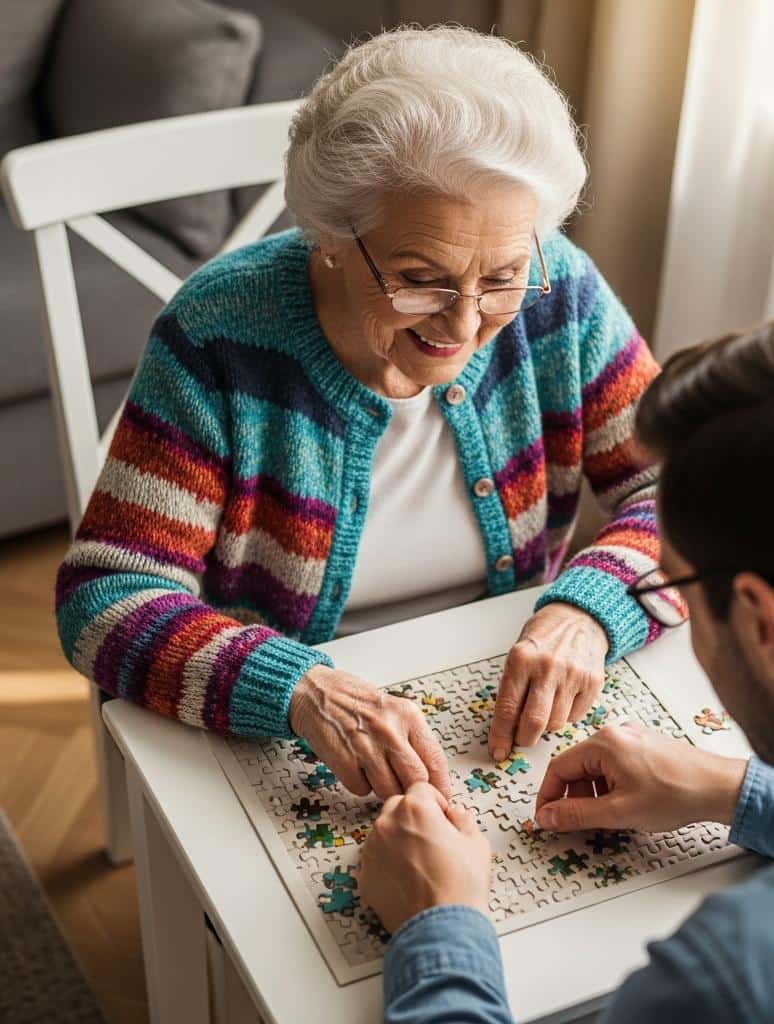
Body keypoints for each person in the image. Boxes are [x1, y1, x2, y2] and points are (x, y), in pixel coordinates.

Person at [54, 26, 668, 799]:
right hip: (279, 728)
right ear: (333, 235)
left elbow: (690, 497)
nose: (463, 325)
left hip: (504, 706)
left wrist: (591, 610)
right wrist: (297, 689)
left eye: (505, 275)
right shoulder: (220, 338)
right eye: (422, 279)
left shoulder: (563, 295)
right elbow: (103, 598)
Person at [360, 308, 774, 1022]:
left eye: (672, 584)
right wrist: (739, 791)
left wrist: (440, 922)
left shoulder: (738, 982)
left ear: (765, 625)